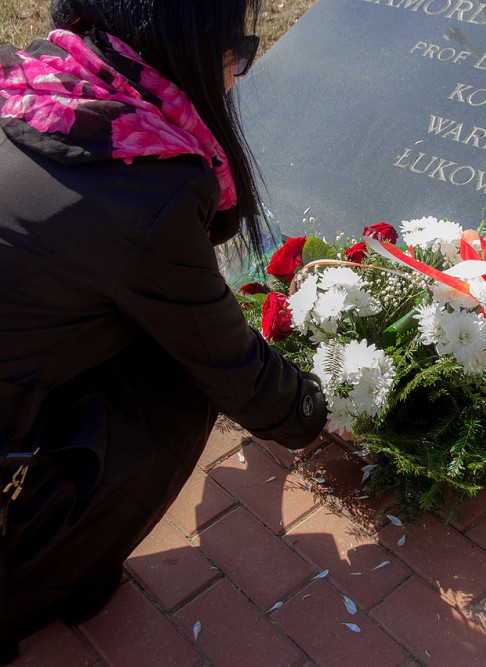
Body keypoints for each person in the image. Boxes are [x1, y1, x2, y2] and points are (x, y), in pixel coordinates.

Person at [0, 0, 327, 658]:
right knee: (179, 380)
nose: (239, 69)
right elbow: (230, 367)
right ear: (190, 50)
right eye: (240, 50)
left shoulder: (29, 76)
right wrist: (320, 412)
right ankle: (44, 574)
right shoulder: (146, 188)